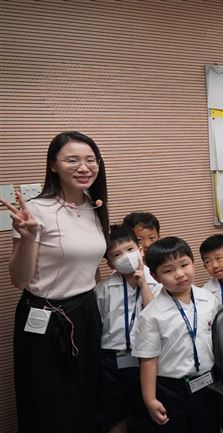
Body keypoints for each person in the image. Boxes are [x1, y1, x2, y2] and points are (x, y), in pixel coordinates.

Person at [1, 131, 109, 433]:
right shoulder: (35, 210)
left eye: (90, 160)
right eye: (72, 160)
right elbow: (19, 279)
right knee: (47, 402)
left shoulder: (93, 205)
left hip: (86, 312)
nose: (83, 167)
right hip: (44, 316)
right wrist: (29, 237)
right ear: (53, 165)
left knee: (86, 395)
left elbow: (90, 267)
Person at [132, 237, 219, 432]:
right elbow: (148, 360)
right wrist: (150, 399)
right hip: (171, 388)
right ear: (155, 276)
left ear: (193, 263)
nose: (179, 274)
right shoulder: (151, 315)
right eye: (168, 270)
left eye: (184, 265)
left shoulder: (209, 299)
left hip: (208, 380)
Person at [96, 224, 161, 433]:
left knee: (149, 410)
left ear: (140, 250)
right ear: (110, 263)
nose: (125, 256)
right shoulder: (103, 290)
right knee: (115, 413)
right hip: (111, 358)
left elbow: (155, 317)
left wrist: (143, 285)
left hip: (146, 357)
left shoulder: (156, 283)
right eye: (117, 254)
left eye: (130, 249)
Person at [199, 234, 223, 310]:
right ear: (205, 266)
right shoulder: (205, 291)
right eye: (208, 261)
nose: (214, 266)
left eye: (218, 258)